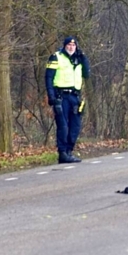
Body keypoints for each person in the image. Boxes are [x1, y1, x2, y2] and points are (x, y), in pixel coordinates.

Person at [45, 36, 91, 164]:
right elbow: (48, 78)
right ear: (65, 46)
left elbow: (87, 74)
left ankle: (69, 151)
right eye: (69, 45)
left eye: (73, 46)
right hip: (61, 96)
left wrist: (84, 58)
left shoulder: (78, 59)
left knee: (75, 126)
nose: (71, 48)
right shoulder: (56, 57)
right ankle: (63, 153)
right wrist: (51, 97)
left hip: (75, 96)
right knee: (63, 126)